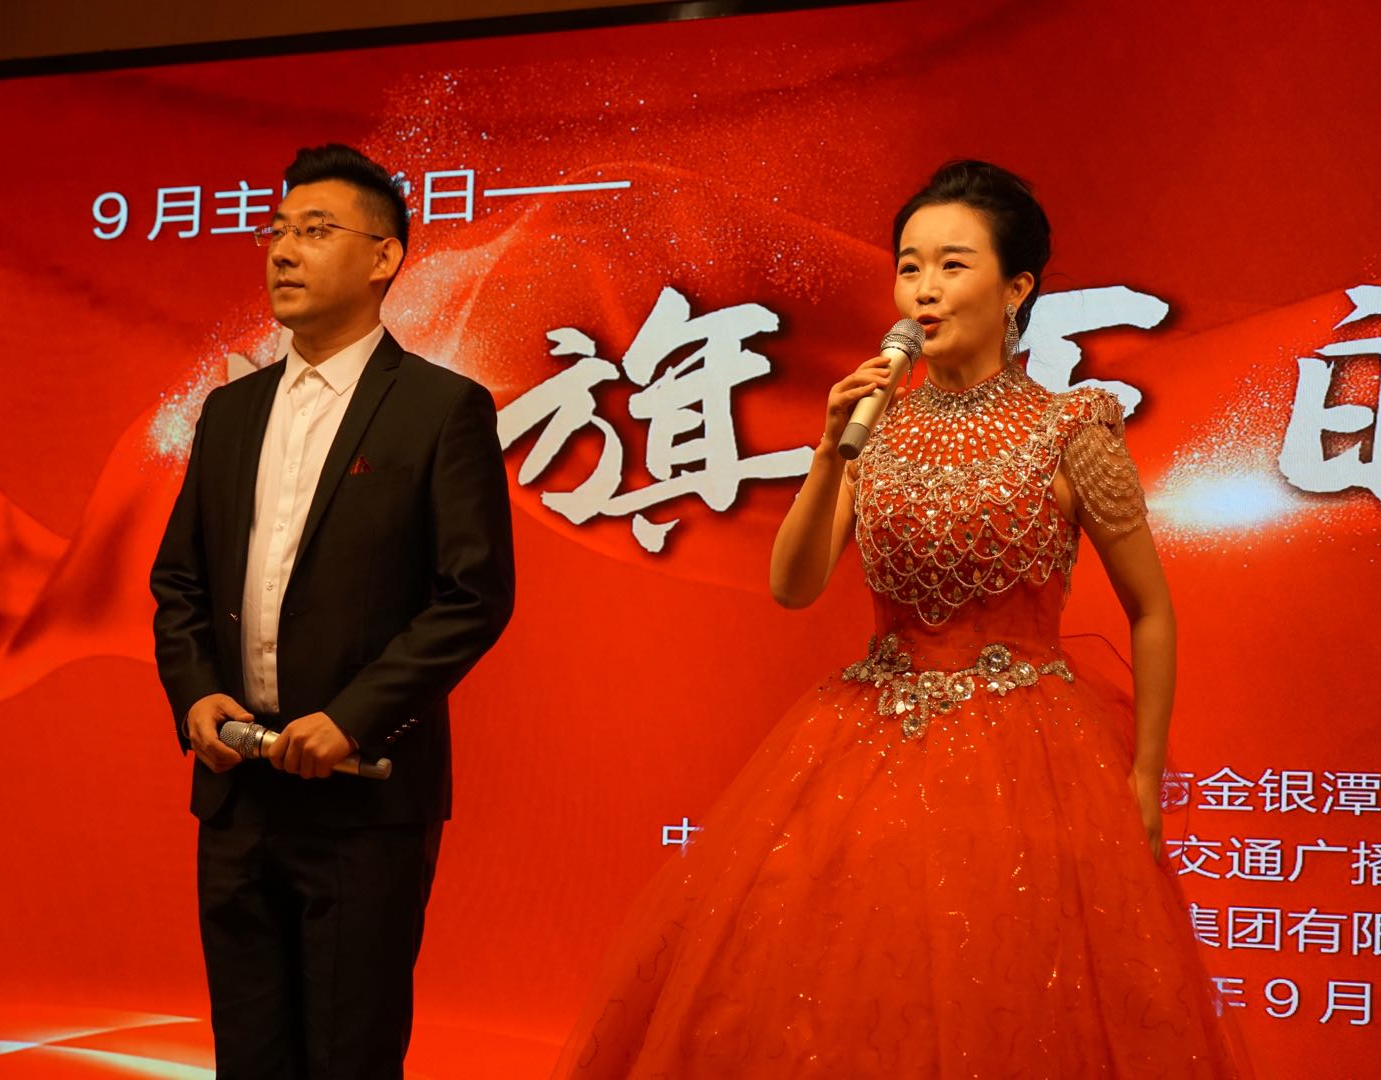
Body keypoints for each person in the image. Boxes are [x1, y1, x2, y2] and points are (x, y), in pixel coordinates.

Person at [552, 160, 1248, 1077]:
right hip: (869, 742)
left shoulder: (1070, 427)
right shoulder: (873, 423)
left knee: (1011, 993)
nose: (924, 288)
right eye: (910, 266)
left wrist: (1146, 776)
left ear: (1017, 288)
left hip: (1030, 759)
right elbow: (793, 585)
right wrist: (828, 453)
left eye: (953, 265)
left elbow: (1150, 610)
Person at [150, 143, 515, 1080]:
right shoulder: (230, 412)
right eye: (276, 230)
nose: (283, 251)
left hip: (364, 794)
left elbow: (473, 596)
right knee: (249, 1056)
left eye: (315, 231)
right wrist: (196, 695)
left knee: (349, 1057)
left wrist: (350, 718)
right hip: (237, 792)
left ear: (385, 256)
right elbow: (179, 584)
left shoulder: (440, 409)